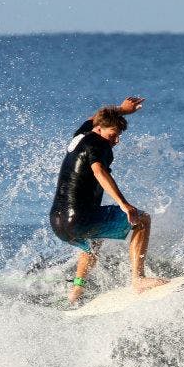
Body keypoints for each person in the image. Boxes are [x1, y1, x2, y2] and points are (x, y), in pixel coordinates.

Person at [49, 96, 168, 303]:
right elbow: (99, 171)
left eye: (118, 135)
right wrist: (124, 204)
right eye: (113, 135)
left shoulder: (81, 136)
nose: (116, 140)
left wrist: (121, 109)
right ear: (100, 130)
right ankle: (138, 280)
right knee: (142, 220)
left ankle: (76, 291)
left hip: (59, 224)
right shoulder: (99, 144)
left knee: (94, 239)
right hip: (79, 219)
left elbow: (95, 117)